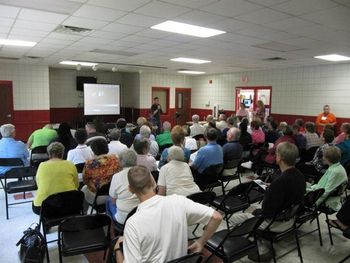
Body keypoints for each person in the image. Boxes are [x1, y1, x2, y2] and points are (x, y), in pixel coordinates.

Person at [114, 165, 222, 263]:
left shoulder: (132, 224)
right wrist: (201, 242)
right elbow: (216, 217)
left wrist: (117, 249)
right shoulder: (178, 201)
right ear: (153, 182)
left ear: (130, 190)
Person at [231, 142, 305, 261]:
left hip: (275, 224)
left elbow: (267, 212)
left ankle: (255, 245)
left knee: (234, 218)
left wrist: (257, 210)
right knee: (253, 211)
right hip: (290, 219)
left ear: (280, 157)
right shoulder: (300, 175)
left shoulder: (280, 182)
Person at [32, 142, 79, 214]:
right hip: (69, 205)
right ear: (63, 153)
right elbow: (76, 185)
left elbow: (38, 184)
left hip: (44, 207)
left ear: (49, 154)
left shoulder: (42, 165)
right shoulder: (70, 164)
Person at [307, 146, 348, 211]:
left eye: (323, 156)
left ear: (328, 159)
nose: (322, 158)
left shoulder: (334, 171)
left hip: (328, 201)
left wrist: (315, 204)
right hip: (328, 197)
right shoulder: (338, 167)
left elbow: (326, 191)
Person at [82, 139, 121, 205]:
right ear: (107, 148)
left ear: (93, 151)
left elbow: (85, 180)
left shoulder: (89, 163)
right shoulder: (115, 159)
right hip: (115, 193)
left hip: (98, 196)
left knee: (84, 188)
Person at [107, 149, 140, 225]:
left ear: (120, 161)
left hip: (124, 218)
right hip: (142, 213)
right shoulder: (144, 172)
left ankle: (111, 233)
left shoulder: (116, 177)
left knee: (108, 201)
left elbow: (113, 201)